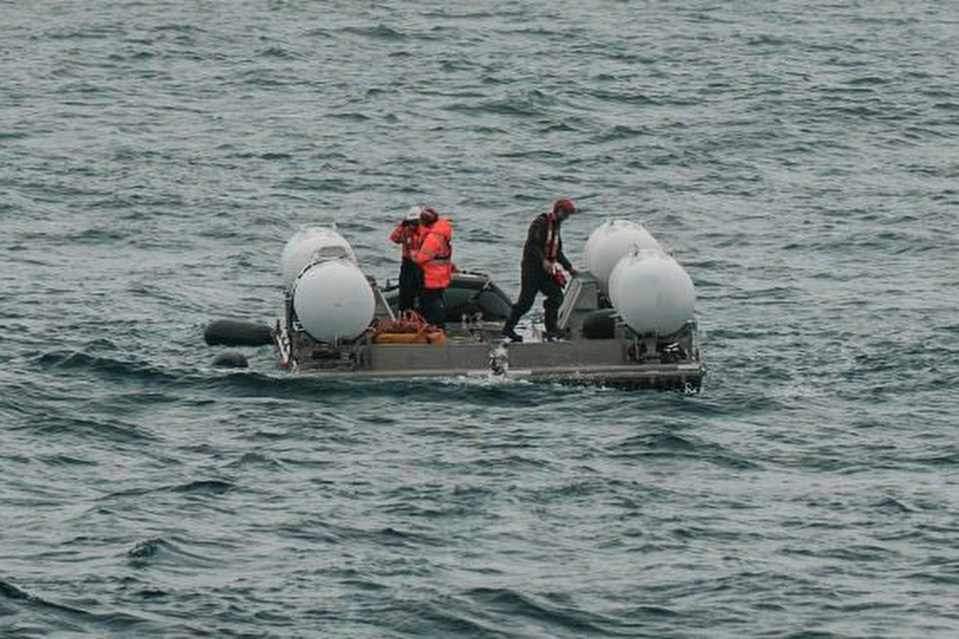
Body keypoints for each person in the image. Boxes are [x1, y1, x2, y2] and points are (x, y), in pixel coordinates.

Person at [501, 198, 578, 342]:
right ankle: (508, 328)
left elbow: (558, 252)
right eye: (566, 213)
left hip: (546, 271)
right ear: (559, 210)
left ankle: (551, 329)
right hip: (532, 269)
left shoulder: (556, 228)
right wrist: (543, 260)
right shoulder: (540, 223)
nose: (567, 217)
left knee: (556, 296)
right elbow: (533, 244)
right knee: (526, 302)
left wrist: (570, 268)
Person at [412, 206, 454, 329]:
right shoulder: (441, 232)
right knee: (435, 301)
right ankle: (436, 326)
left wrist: (414, 255)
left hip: (432, 276)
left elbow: (422, 258)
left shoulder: (433, 237)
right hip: (441, 274)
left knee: (431, 303)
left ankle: (436, 327)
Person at [389, 206, 424, 312]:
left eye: (415, 222)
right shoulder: (405, 230)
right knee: (405, 295)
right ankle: (405, 318)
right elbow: (394, 238)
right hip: (408, 265)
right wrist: (402, 225)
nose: (413, 224)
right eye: (411, 222)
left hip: (422, 265)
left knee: (423, 295)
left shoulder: (425, 231)